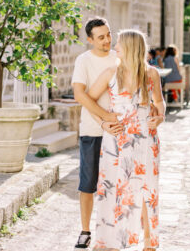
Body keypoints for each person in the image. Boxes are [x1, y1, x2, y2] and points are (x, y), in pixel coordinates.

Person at [87, 29, 165, 250]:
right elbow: (89, 100)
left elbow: (159, 103)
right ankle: (110, 242)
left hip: (146, 139)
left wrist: (160, 118)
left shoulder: (151, 74)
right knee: (112, 189)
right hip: (116, 140)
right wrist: (103, 123)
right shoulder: (111, 72)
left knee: (147, 190)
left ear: (130, 47)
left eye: (119, 43)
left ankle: (149, 242)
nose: (115, 47)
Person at [72, 17, 124, 249]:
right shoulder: (83, 60)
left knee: (118, 183)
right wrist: (104, 119)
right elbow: (80, 96)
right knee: (88, 183)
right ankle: (85, 231)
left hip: (119, 131)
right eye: (101, 37)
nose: (107, 40)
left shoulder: (119, 58)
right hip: (92, 130)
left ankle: (114, 230)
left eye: (108, 34)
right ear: (90, 39)